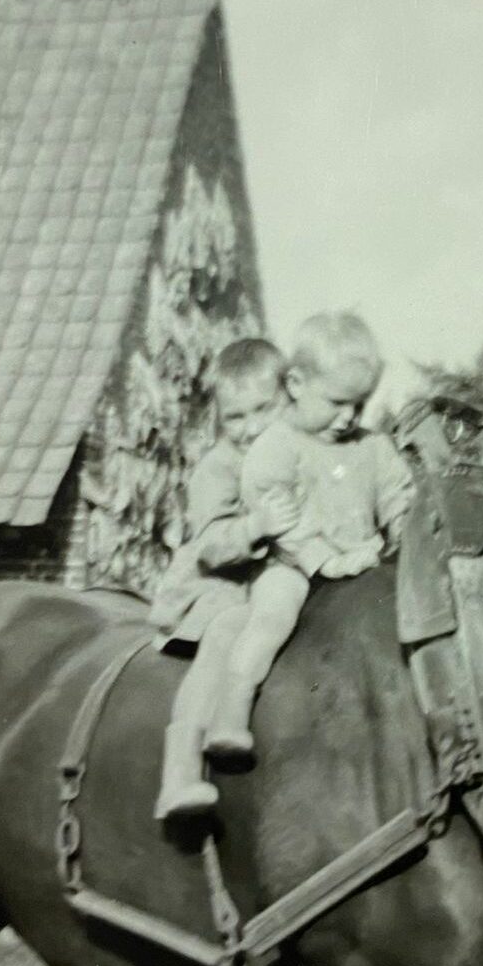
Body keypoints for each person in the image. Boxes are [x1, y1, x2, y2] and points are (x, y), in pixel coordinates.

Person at [202, 311, 415, 760]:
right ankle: (232, 707)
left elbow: (396, 493)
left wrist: (403, 527)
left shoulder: (372, 446)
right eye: (337, 402)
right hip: (293, 566)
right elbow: (281, 517)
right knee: (270, 620)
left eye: (360, 404)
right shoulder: (276, 445)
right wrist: (324, 560)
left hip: (363, 561)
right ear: (296, 385)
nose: (349, 416)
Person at [149, 337, 297, 820]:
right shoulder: (218, 466)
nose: (250, 428)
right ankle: (179, 770)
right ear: (218, 416)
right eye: (235, 416)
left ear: (289, 399)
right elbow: (211, 543)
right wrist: (256, 527)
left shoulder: (295, 450)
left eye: (263, 409)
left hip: (276, 582)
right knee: (222, 639)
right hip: (222, 583)